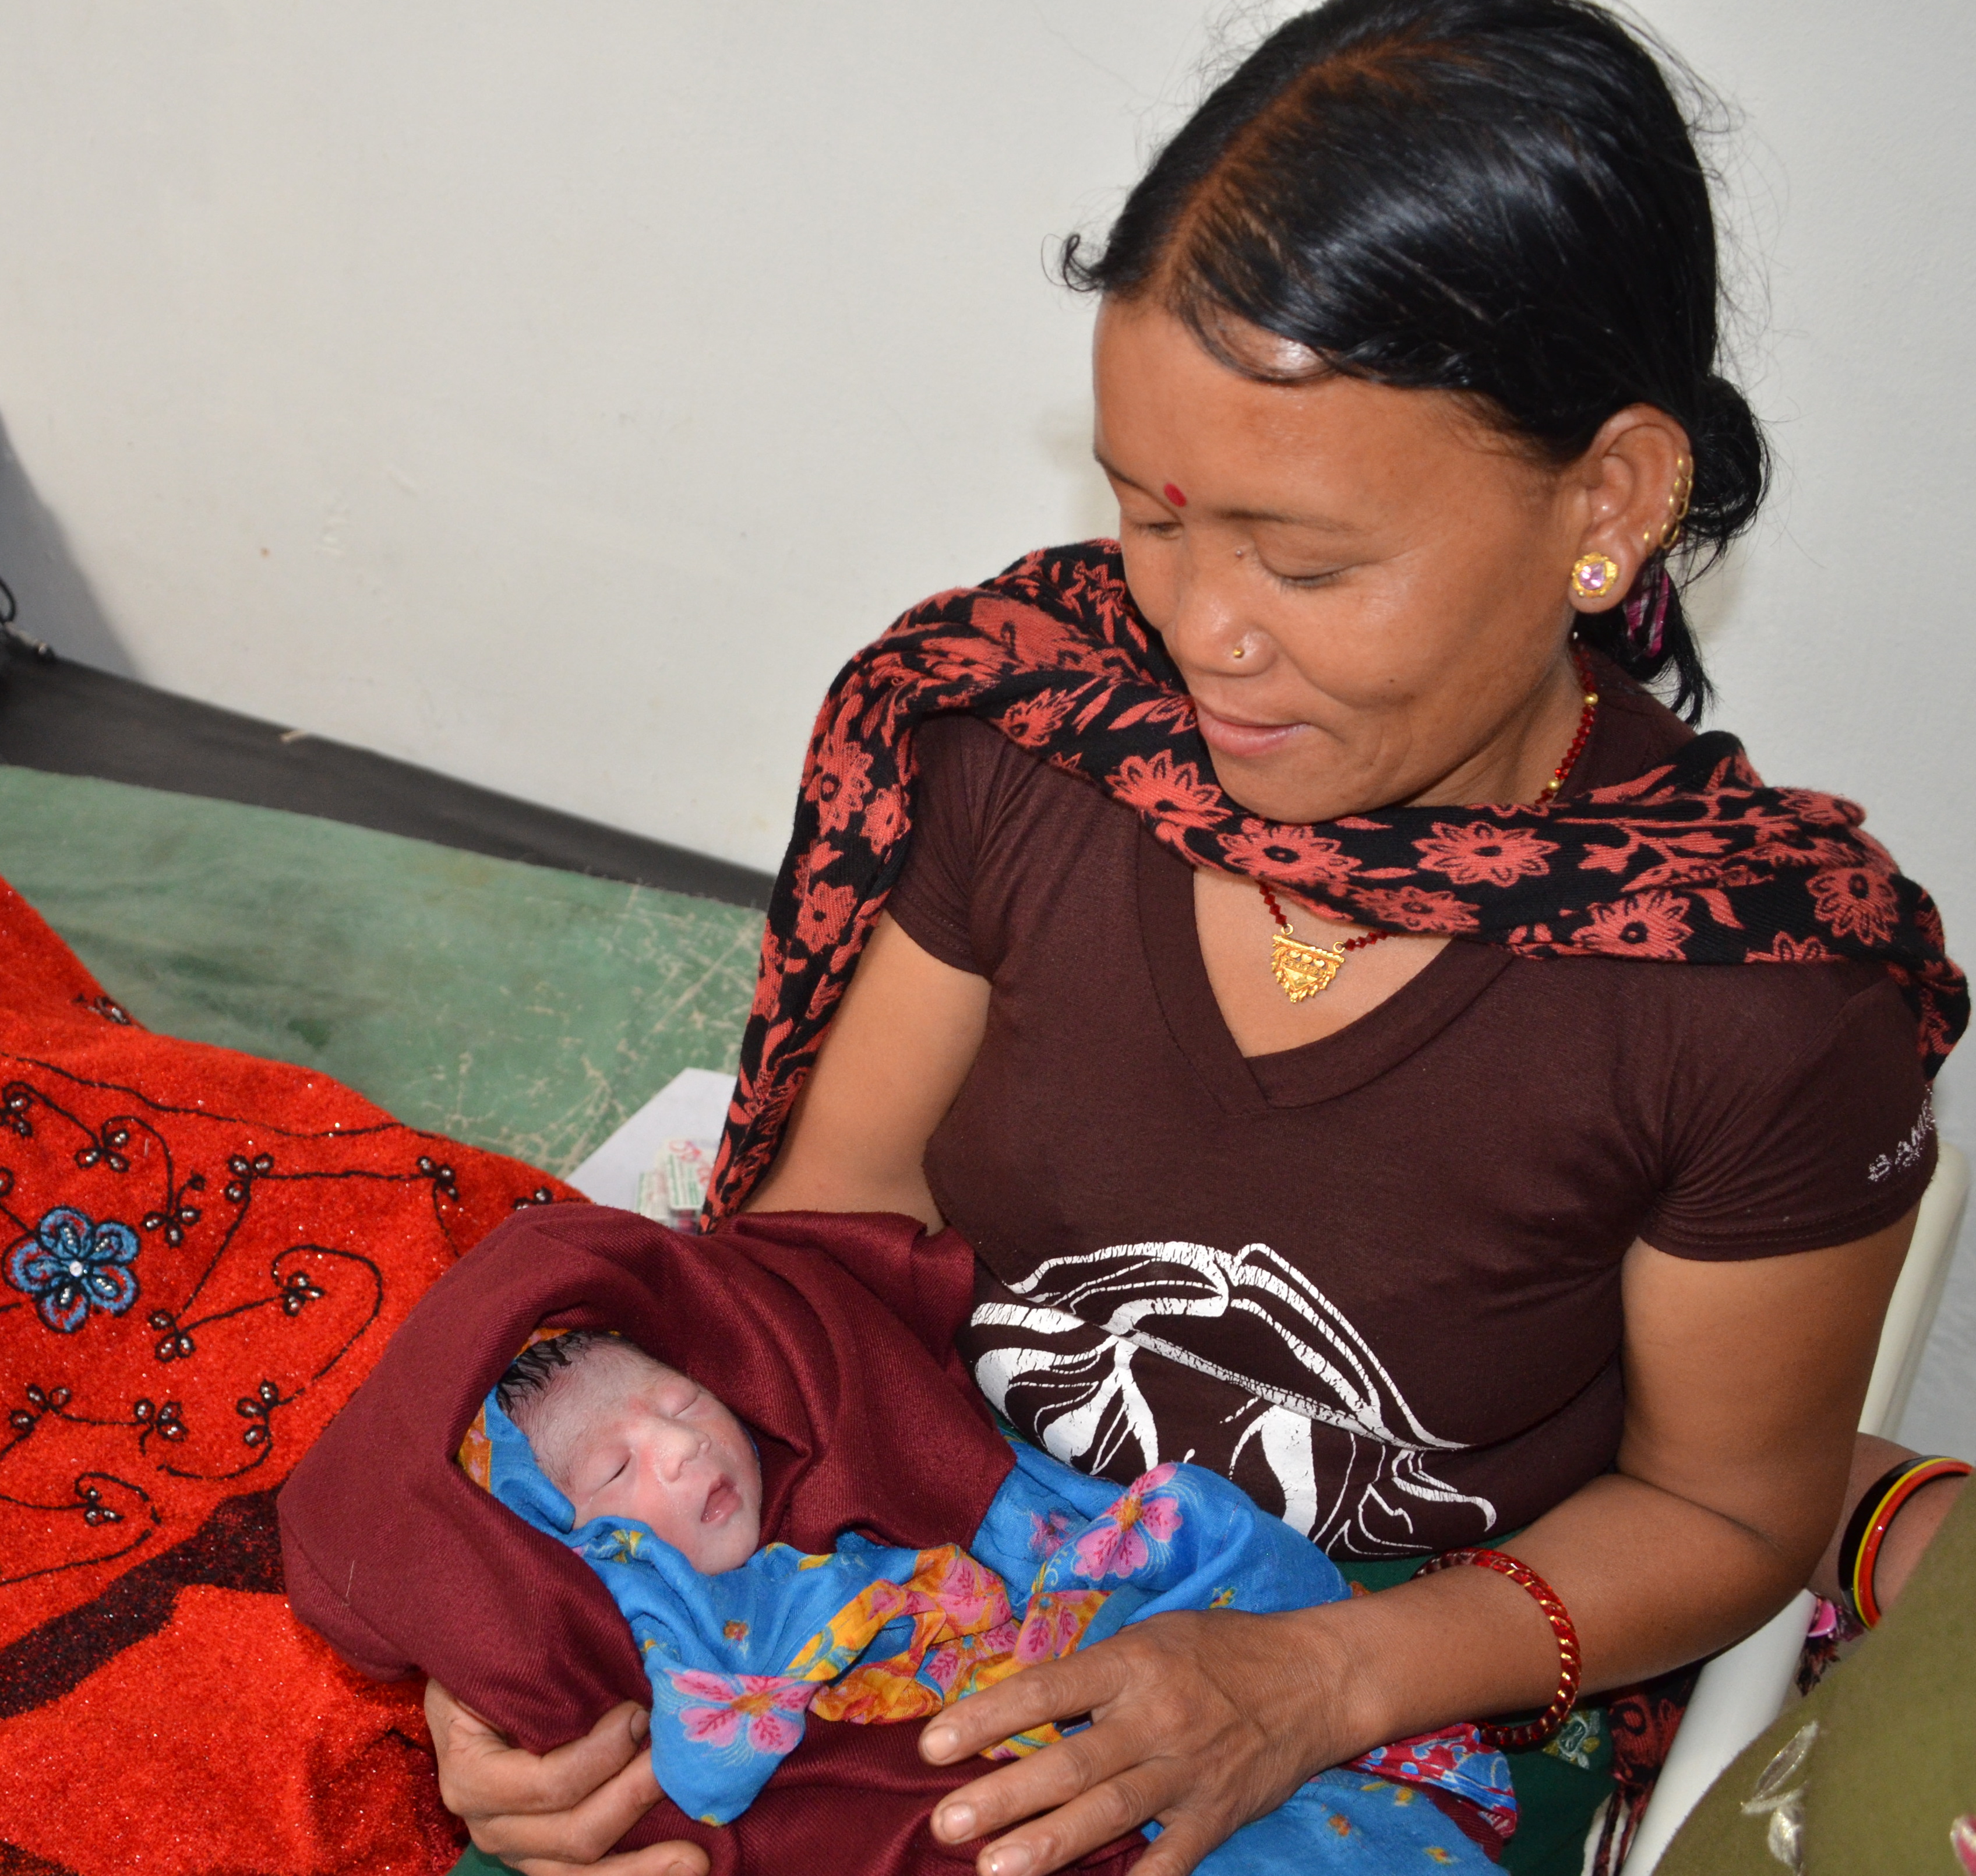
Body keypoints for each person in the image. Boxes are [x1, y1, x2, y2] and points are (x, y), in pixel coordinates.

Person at [421, 4, 1966, 1874]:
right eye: (1150, 516)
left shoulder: (1750, 997)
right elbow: (825, 1249)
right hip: (912, 1540)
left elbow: (1726, 1510)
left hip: (1416, 1675)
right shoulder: (1039, 747)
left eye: (1304, 563)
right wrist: (573, 1638)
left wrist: (1314, 1679)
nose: (1203, 630)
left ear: (1608, 504)